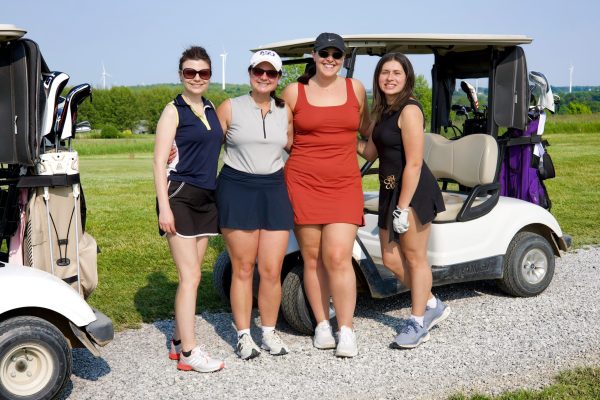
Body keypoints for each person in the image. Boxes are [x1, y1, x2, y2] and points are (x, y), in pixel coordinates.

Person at [282, 32, 371, 358]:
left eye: (336, 54)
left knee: (338, 256)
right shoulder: (294, 91)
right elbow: (284, 138)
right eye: (324, 53)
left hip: (345, 184)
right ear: (314, 54)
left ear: (343, 58)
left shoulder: (355, 89)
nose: (330, 59)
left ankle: (346, 329)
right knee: (313, 257)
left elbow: (368, 133)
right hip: (303, 183)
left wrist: (367, 150)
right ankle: (322, 325)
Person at [357, 52, 450, 349]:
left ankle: (417, 321)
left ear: (406, 78)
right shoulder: (384, 110)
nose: (390, 78)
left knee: (414, 257)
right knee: (390, 258)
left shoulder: (409, 110)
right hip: (389, 188)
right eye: (385, 72)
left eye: (396, 72)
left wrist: (402, 207)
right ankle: (433, 303)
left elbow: (413, 163)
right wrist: (338, 134)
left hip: (412, 191)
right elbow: (370, 152)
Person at [215, 50, 294, 360]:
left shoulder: (285, 110)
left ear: (277, 78)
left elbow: (296, 145)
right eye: (258, 71)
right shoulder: (230, 107)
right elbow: (205, 145)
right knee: (244, 268)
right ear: (250, 73)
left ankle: (269, 332)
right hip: (237, 187)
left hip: (274, 189)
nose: (264, 77)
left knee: (272, 269)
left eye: (271, 73)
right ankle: (244, 335)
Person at [153, 46, 224, 372]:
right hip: (179, 195)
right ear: (181, 75)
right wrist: (164, 209)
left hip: (206, 198)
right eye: (190, 72)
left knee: (191, 276)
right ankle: (189, 354)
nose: (197, 78)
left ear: (210, 75)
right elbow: (158, 162)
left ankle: (179, 341)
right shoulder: (173, 110)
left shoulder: (210, 107)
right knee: (191, 276)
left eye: (203, 73)